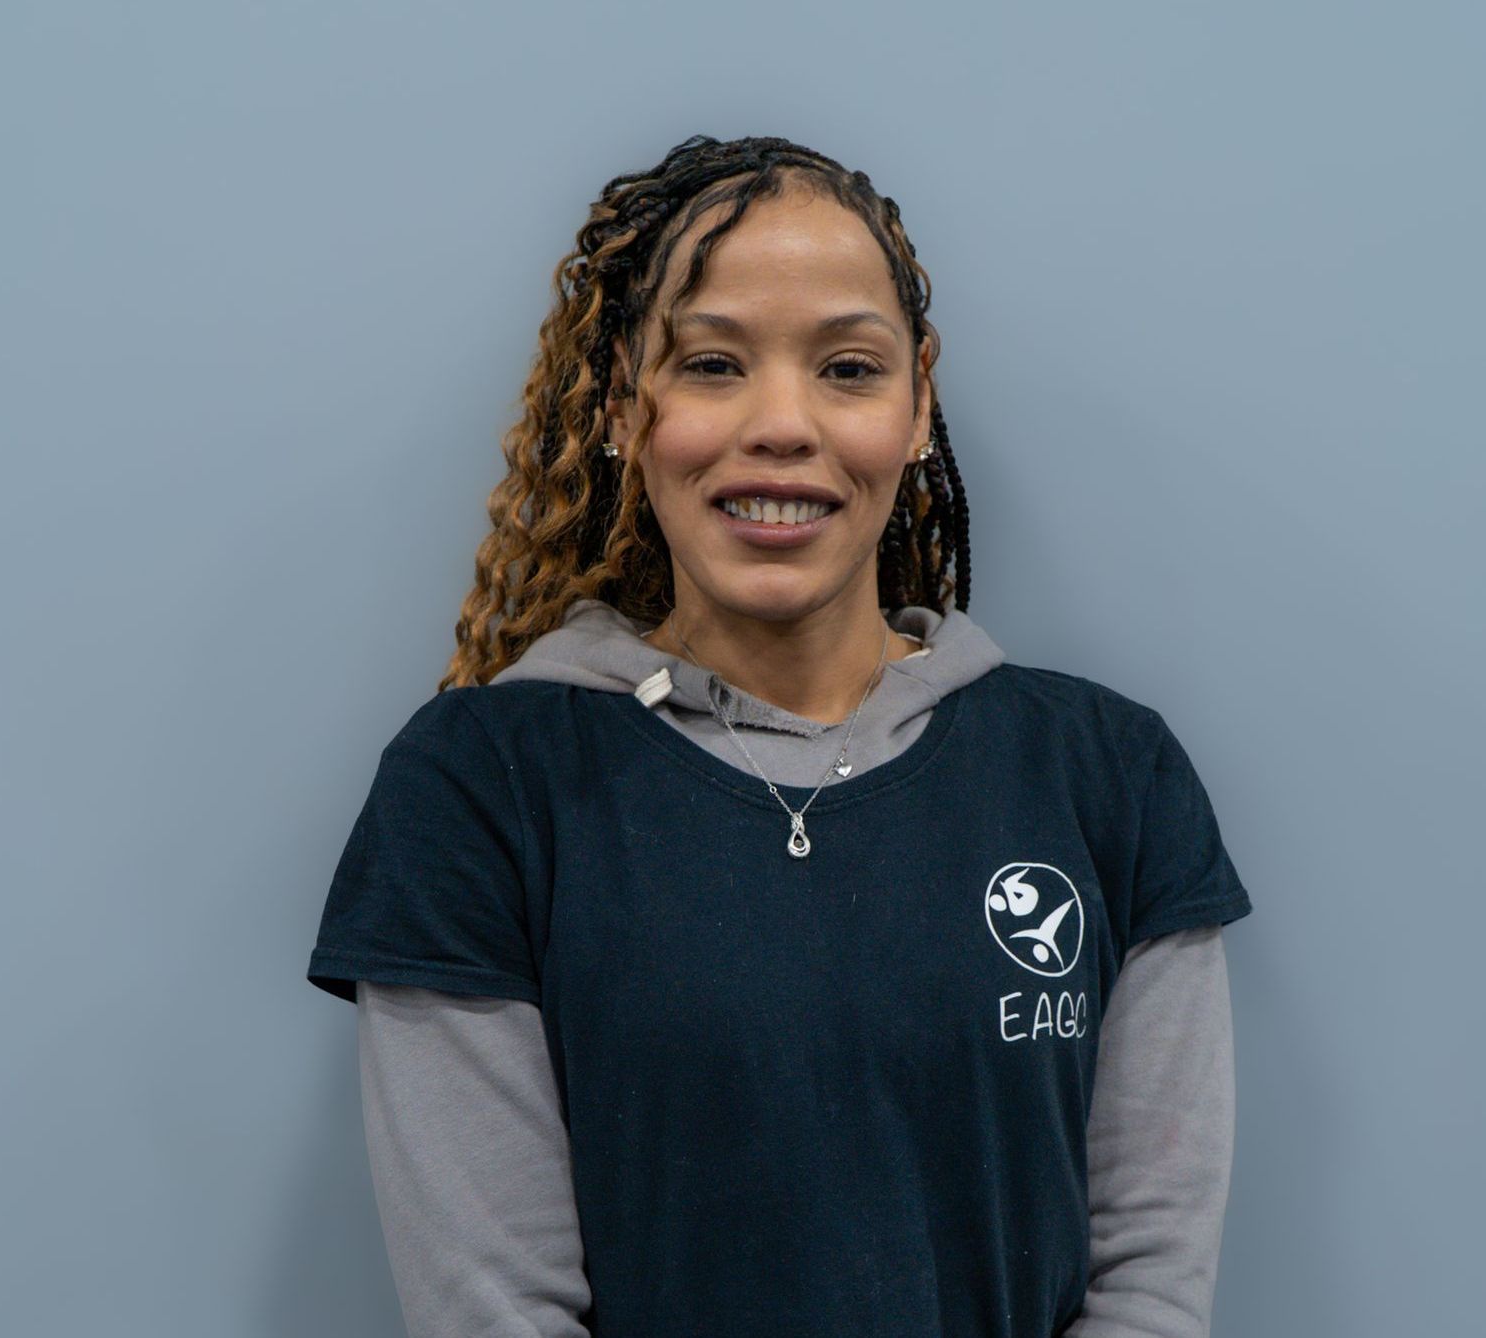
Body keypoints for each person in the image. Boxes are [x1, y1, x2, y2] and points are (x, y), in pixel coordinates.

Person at [306, 133, 1254, 1338]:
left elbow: (1151, 1285)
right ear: (622, 407)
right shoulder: (479, 791)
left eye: (848, 368)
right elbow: (495, 1311)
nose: (782, 425)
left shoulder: (1109, 777)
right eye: (712, 364)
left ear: (918, 404)